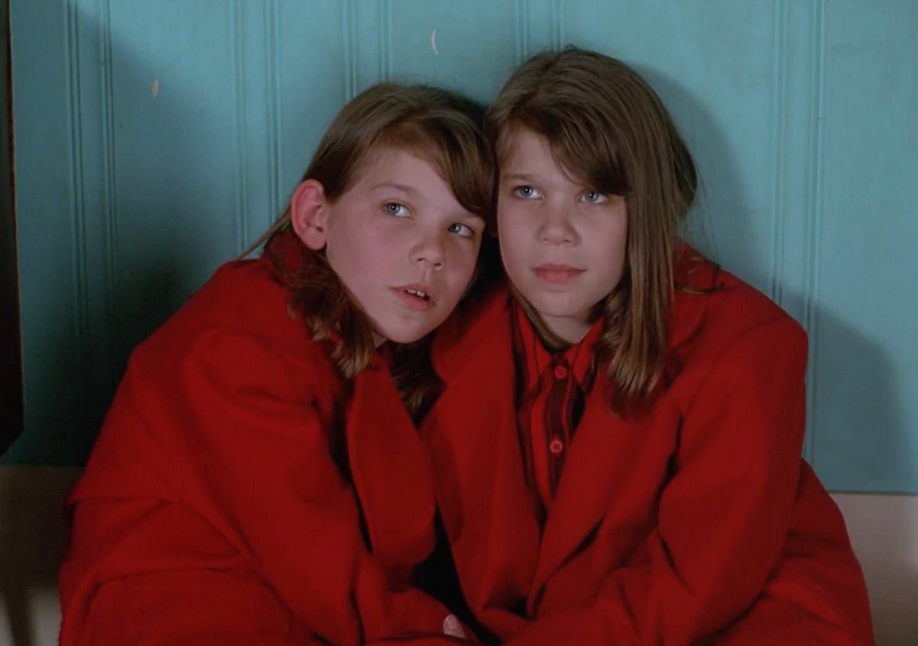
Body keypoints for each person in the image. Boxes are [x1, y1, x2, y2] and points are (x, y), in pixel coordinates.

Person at [421, 48, 875, 645]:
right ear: (493, 208)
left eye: (593, 196)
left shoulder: (746, 348)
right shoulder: (446, 331)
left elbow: (694, 587)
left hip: (747, 621)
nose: (556, 231)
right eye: (527, 192)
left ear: (647, 210)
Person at [59, 82, 494, 646]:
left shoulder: (366, 345)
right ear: (315, 216)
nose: (432, 251)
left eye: (461, 229)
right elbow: (317, 562)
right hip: (174, 617)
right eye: (397, 209)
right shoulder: (241, 340)